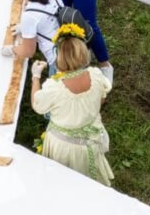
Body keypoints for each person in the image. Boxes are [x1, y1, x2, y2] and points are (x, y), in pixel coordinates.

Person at [30, 26, 113, 185]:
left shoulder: (55, 87)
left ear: (59, 57)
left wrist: (35, 76)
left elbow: (37, 104)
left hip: (64, 147)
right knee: (88, 185)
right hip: (90, 139)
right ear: (83, 52)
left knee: (61, 183)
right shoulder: (96, 75)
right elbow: (102, 98)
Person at [1, 0, 63, 70]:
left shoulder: (29, 15)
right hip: (74, 44)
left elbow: (28, 51)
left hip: (59, 58)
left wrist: (12, 49)